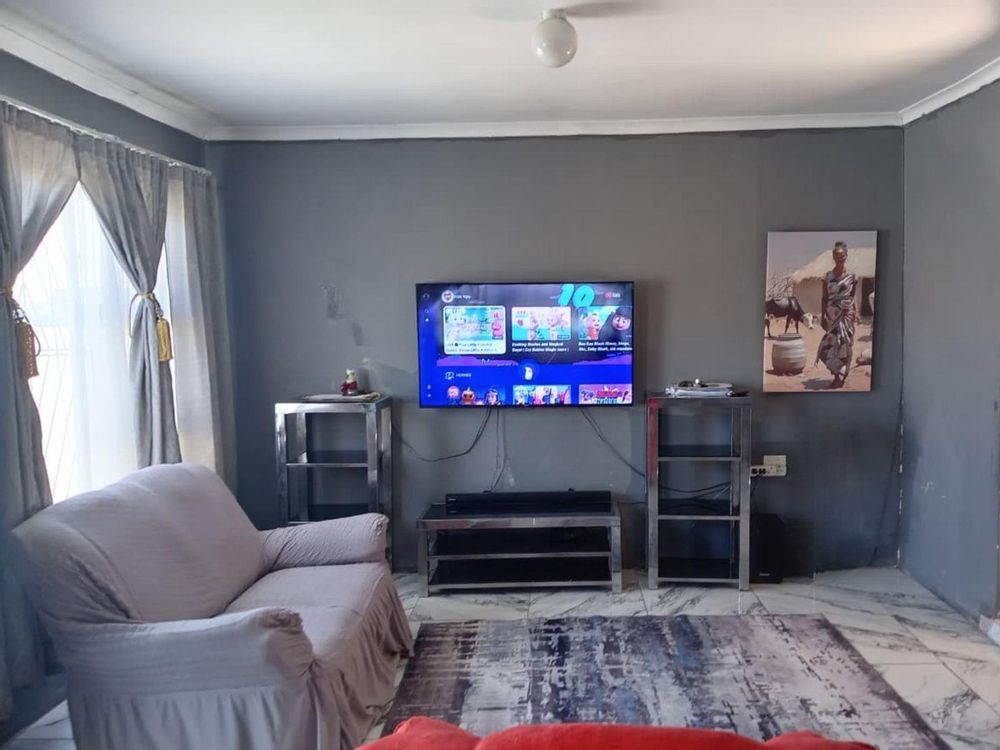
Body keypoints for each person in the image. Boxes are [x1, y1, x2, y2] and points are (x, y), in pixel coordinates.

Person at [816, 241, 857, 389]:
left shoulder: (852, 277)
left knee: (846, 343)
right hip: (832, 316)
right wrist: (822, 316)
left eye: (842, 256)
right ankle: (836, 374)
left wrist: (856, 312)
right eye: (837, 256)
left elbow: (852, 296)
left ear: (846, 256)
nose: (840, 259)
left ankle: (843, 375)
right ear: (833, 257)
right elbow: (824, 297)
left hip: (847, 315)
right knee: (830, 345)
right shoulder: (827, 277)